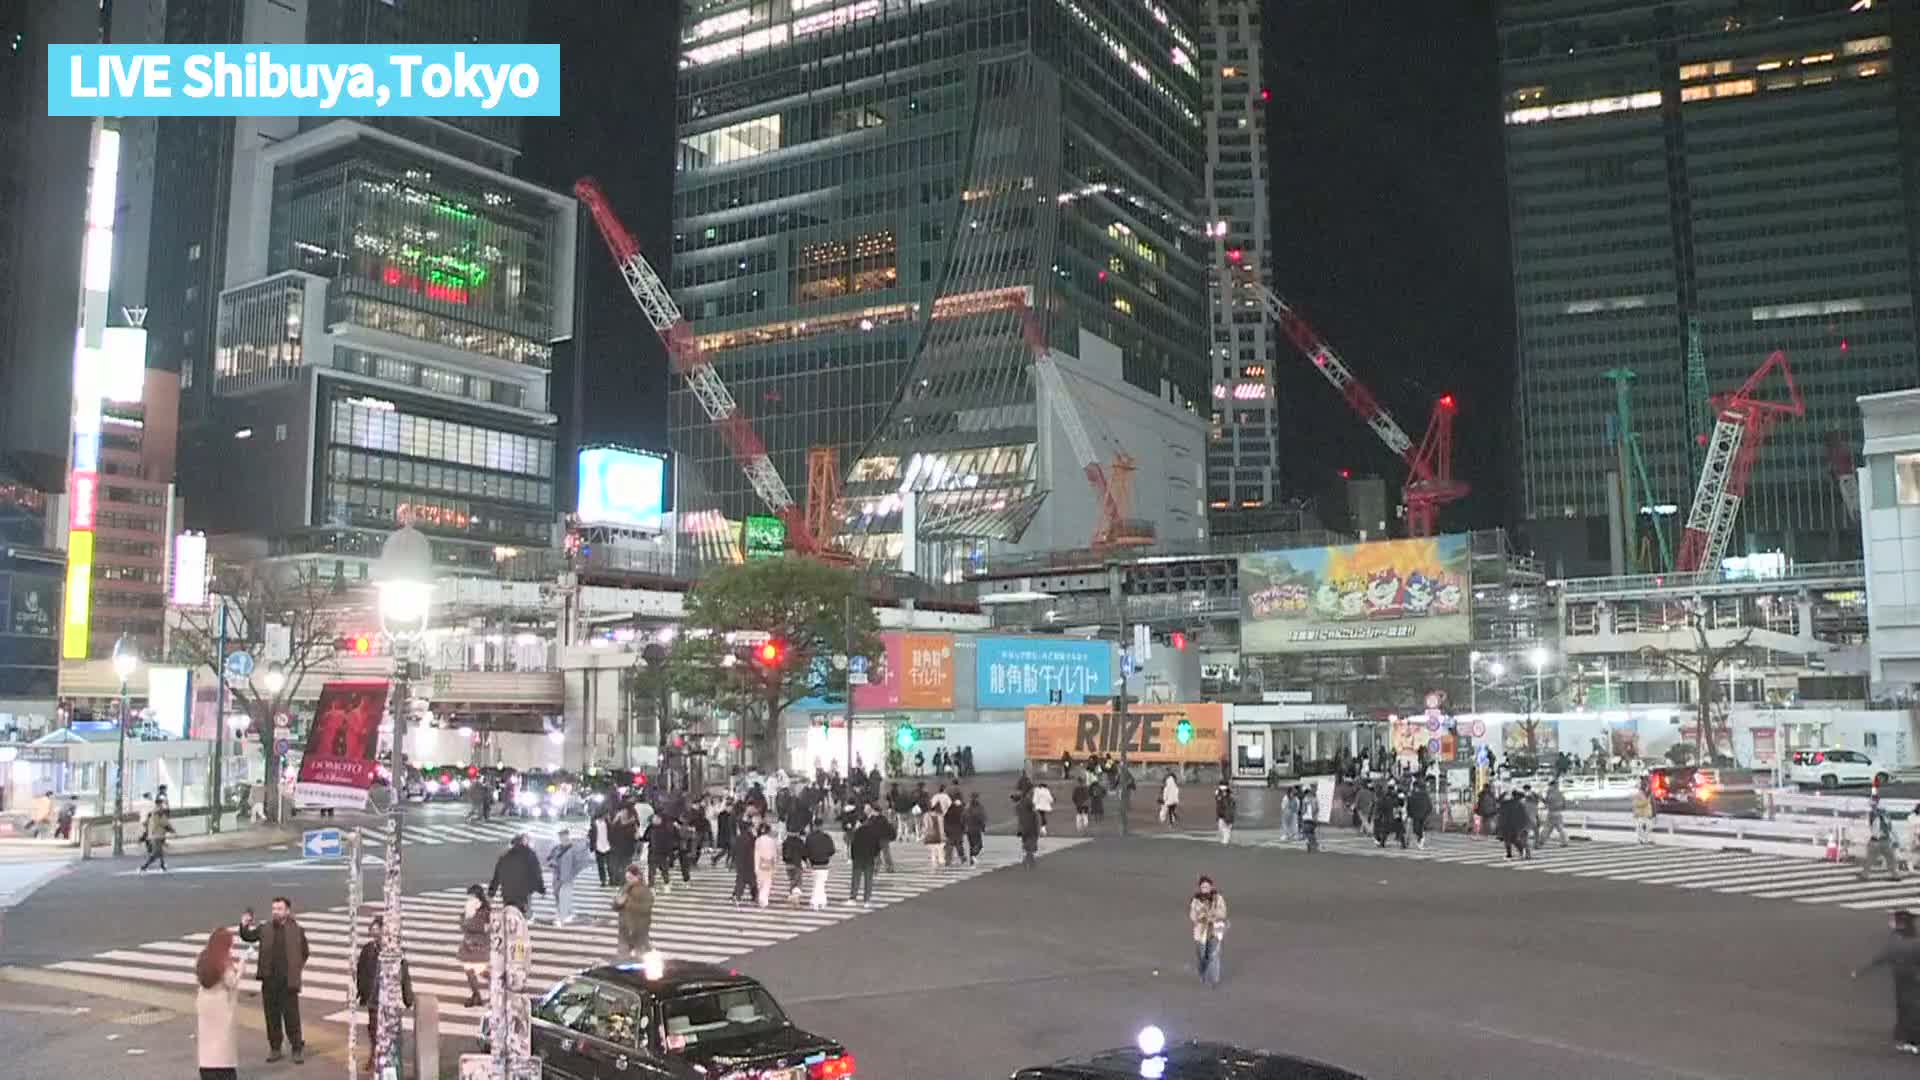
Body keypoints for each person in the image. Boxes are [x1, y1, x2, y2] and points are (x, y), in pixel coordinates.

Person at [237, 896, 310, 1064]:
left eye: (279, 909)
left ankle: (296, 1048)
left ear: (287, 911)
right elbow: (248, 936)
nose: (276, 912)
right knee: (272, 1016)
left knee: (292, 1016)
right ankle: (275, 1047)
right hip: (269, 980)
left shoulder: (297, 930)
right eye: (274, 909)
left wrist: (295, 968)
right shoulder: (265, 928)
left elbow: (305, 952)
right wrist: (244, 924)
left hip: (288, 982)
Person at [353, 914, 414, 1070]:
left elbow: (404, 975)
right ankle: (374, 1055)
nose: (375, 934)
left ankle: (390, 1060)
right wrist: (359, 992)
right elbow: (361, 972)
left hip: (390, 1000)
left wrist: (408, 998)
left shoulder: (395, 951)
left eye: (378, 930)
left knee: (391, 1031)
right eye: (373, 930)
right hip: (373, 999)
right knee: (373, 1030)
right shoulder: (367, 950)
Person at [196, 925, 248, 1080]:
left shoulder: (203, 958)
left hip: (205, 1002)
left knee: (207, 1039)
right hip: (221, 1003)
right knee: (223, 1041)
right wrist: (242, 967)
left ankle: (206, 1069)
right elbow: (232, 982)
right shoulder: (224, 962)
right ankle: (224, 1072)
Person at [488, 833, 546, 915]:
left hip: (507, 892)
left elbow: (497, 877)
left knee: (510, 914)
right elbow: (537, 873)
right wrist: (541, 889)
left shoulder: (504, 856)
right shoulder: (530, 854)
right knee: (522, 915)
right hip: (524, 892)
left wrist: (491, 893)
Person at [1188, 875, 1228, 987]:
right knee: (1202, 956)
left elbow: (1223, 912)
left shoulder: (1218, 898)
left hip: (1215, 932)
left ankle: (1214, 979)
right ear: (1200, 888)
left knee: (1214, 955)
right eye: (1203, 887)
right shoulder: (1196, 901)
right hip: (1201, 933)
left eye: (1207, 886)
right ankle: (1202, 974)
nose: (1205, 889)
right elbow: (1192, 916)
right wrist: (1202, 917)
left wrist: (1213, 916)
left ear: (1211, 887)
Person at [613, 863, 653, 960]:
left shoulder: (644, 890)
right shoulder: (625, 887)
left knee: (642, 955)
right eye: (627, 878)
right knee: (623, 955)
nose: (628, 880)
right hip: (625, 928)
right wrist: (617, 903)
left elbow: (646, 908)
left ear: (637, 876)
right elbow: (616, 905)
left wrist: (627, 903)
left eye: (630, 878)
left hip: (638, 928)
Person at [458, 885, 490, 1006]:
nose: (469, 900)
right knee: (471, 971)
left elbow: (483, 928)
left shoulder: (484, 912)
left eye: (471, 897)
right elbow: (462, 925)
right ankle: (477, 994)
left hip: (478, 947)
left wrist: (467, 920)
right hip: (469, 946)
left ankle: (498, 986)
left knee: (477, 971)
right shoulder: (470, 909)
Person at [1864, 795, 1902, 882]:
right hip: (1885, 840)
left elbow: (1874, 827)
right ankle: (1896, 875)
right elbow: (1890, 827)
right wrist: (1896, 838)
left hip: (1876, 841)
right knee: (1891, 859)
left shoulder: (1873, 813)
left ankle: (1865, 875)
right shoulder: (1885, 813)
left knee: (1870, 859)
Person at [848, 810, 882, 906]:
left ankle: (853, 898)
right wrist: (876, 857)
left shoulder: (857, 832)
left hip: (858, 858)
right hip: (869, 858)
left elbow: (853, 846)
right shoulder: (873, 832)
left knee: (855, 879)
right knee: (868, 880)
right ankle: (867, 900)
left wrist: (852, 857)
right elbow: (877, 846)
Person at [804, 820, 836, 911]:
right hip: (824, 864)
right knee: (821, 883)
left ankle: (815, 901)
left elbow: (805, 851)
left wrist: (807, 861)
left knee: (816, 883)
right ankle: (821, 901)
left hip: (814, 864)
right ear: (822, 826)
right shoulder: (827, 837)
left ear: (814, 826)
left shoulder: (809, 837)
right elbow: (832, 850)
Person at [139, 803, 176, 872]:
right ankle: (144, 866)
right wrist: (172, 830)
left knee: (160, 852)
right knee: (156, 853)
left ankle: (162, 865)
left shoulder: (152, 815)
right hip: (157, 837)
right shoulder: (159, 816)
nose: (162, 810)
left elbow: (144, 823)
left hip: (154, 837)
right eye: (161, 809)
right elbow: (165, 824)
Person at [752, 822, 778, 908]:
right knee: (767, 882)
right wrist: (775, 865)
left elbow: (756, 853)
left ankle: (761, 898)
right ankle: (764, 899)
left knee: (760, 882)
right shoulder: (772, 841)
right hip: (769, 862)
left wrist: (755, 865)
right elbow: (774, 854)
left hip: (760, 862)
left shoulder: (758, 840)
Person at [1015, 791, 1041, 868]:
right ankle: (1029, 859)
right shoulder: (1032, 811)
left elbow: (1020, 819)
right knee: (1031, 845)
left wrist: (1019, 829)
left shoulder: (1018, 807)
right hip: (1032, 829)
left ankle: (1028, 859)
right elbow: (1036, 820)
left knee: (1027, 845)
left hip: (1024, 829)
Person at [1541, 779, 1569, 848]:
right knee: (1560, 828)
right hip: (1559, 813)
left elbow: (1547, 801)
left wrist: (1541, 798)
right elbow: (1564, 805)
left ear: (1552, 785)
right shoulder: (1560, 793)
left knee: (1547, 828)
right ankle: (1564, 841)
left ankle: (1541, 841)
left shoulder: (1550, 793)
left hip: (1551, 812)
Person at [591, 808, 614, 886]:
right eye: (606, 814)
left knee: (610, 865)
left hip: (607, 846)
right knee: (600, 865)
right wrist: (592, 846)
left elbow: (612, 833)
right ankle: (603, 880)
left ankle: (611, 879)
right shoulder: (594, 824)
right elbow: (592, 835)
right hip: (598, 847)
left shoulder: (608, 823)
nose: (607, 816)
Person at [964, 792, 987, 867]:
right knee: (979, 845)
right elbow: (981, 818)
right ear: (977, 797)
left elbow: (963, 817)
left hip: (968, 829)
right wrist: (983, 827)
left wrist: (964, 826)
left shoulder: (967, 807)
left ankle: (971, 860)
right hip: (976, 828)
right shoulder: (979, 807)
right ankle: (973, 855)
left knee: (972, 845)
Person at [1631, 782, 1655, 846]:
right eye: (1645, 787)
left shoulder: (1648, 795)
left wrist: (1652, 814)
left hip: (1647, 814)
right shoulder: (1637, 795)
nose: (1646, 788)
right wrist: (1646, 801)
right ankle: (1640, 840)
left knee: (1649, 827)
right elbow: (1636, 804)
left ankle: (1647, 839)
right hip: (1640, 814)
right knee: (1640, 828)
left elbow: (1650, 805)